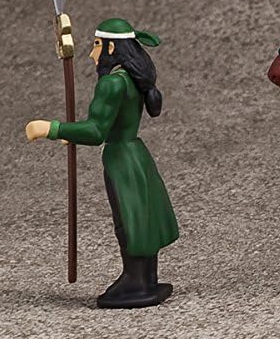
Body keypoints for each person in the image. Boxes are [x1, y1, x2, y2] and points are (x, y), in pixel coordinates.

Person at [24, 18, 179, 307]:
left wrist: (51, 128)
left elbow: (96, 131)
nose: (92, 54)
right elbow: (112, 123)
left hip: (121, 160)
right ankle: (146, 278)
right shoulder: (132, 78)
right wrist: (71, 134)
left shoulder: (111, 83)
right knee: (141, 216)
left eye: (97, 45)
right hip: (137, 154)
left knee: (128, 219)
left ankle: (134, 280)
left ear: (111, 48)